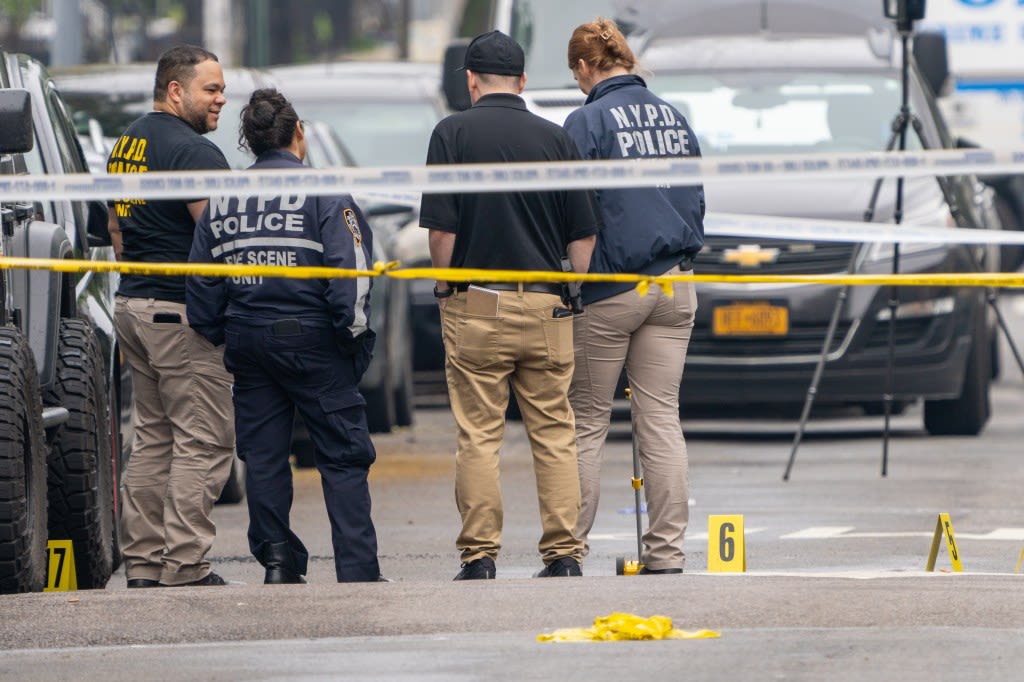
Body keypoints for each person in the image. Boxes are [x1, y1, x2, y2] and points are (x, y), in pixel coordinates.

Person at [420, 30, 601, 580]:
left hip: (478, 305)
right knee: (554, 431)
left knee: (478, 434)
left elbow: (441, 232)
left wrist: (445, 287)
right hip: (547, 307)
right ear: (522, 81)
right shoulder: (556, 138)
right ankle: (565, 554)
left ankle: (479, 557)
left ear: (471, 80)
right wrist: (570, 289)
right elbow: (583, 236)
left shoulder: (450, 134)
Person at [187, 88, 383, 584]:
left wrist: (218, 332)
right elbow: (352, 274)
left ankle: (277, 560)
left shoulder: (224, 200)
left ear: (250, 142)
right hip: (316, 342)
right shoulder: (326, 192)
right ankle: (357, 569)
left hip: (248, 342)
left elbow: (201, 278)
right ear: (299, 134)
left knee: (265, 457)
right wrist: (353, 335)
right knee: (343, 455)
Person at [563, 18, 705, 574]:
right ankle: (666, 554)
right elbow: (694, 198)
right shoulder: (673, 116)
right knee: (662, 419)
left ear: (584, 67)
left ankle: (568, 550)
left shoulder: (587, 120)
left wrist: (573, 281)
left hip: (609, 288)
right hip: (674, 283)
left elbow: (573, 211)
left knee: (588, 420)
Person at [106, 44, 235, 588]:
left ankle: (142, 563)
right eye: (211, 89)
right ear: (175, 90)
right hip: (179, 313)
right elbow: (220, 242)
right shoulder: (194, 154)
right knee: (203, 440)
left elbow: (115, 230)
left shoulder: (126, 144)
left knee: (155, 437)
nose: (221, 100)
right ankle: (184, 564)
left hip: (132, 305)